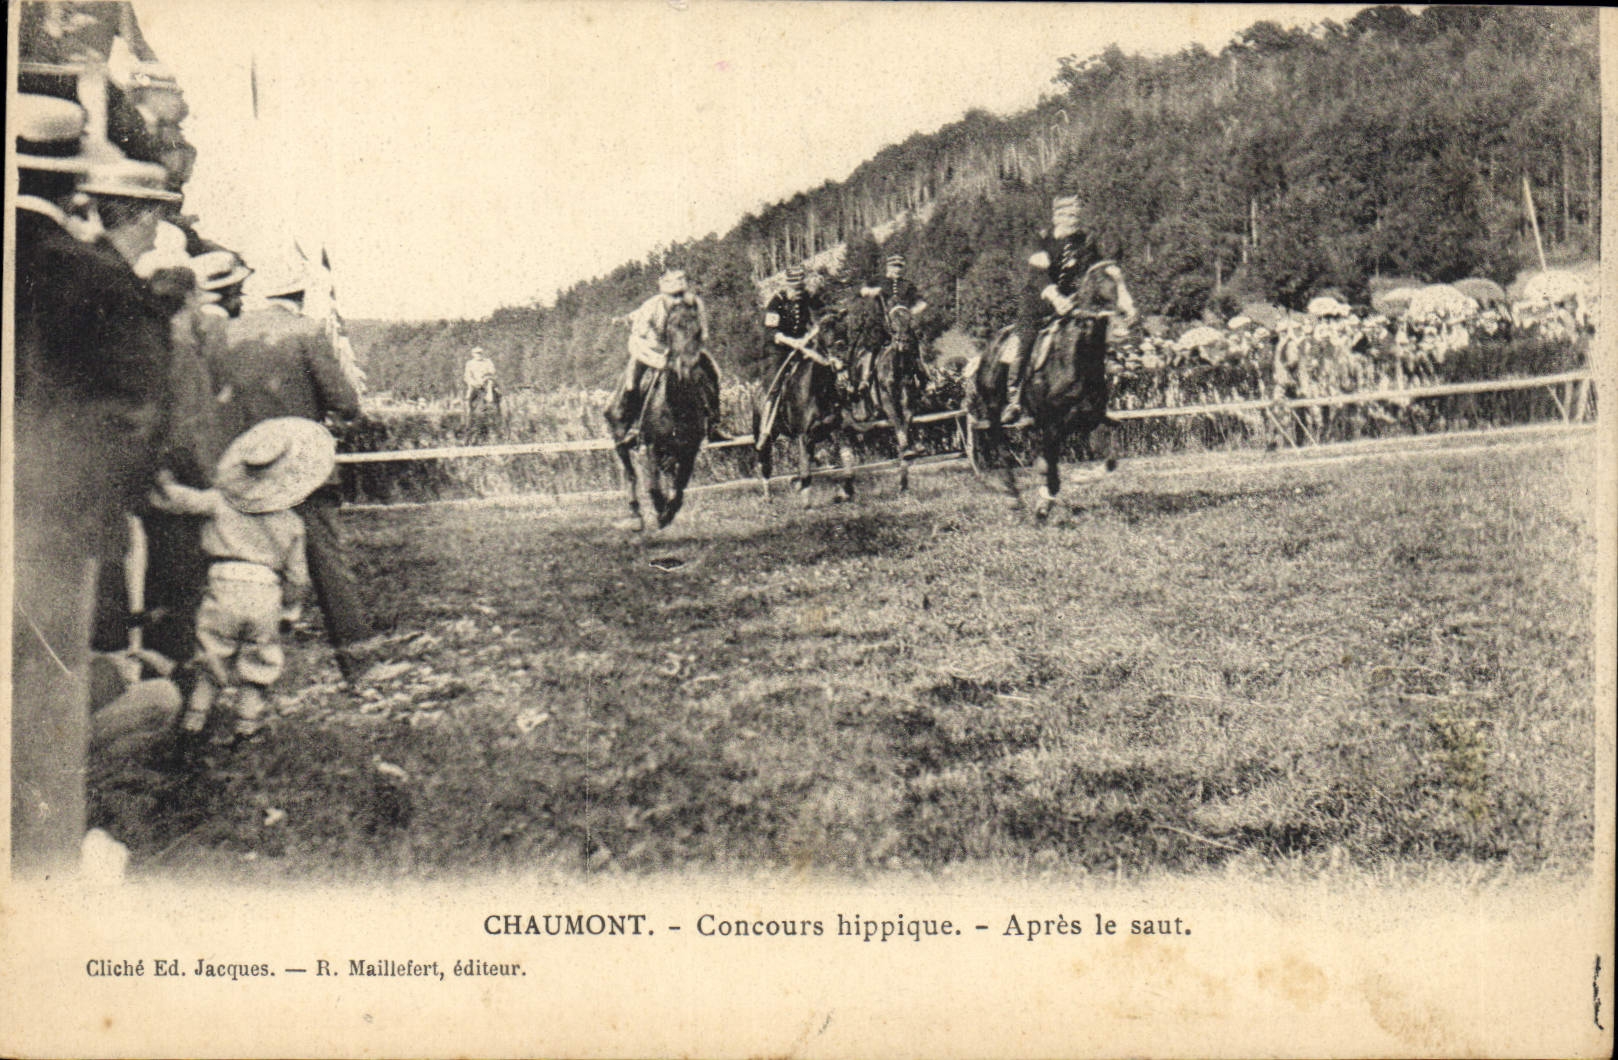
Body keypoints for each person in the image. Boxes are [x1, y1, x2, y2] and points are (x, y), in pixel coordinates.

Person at [11, 96, 177, 873]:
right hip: (47, 531)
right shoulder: (87, 272)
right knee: (43, 699)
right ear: (74, 183)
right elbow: (139, 416)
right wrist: (99, 510)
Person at [206, 261, 380, 683]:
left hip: (243, 474)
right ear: (299, 295)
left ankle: (219, 682)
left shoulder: (225, 334)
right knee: (328, 567)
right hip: (302, 473)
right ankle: (360, 665)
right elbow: (346, 404)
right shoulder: (307, 331)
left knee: (237, 569)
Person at [147, 418, 332, 744]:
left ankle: (194, 721)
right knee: (259, 663)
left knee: (211, 657)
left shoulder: (219, 503)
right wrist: (290, 612)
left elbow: (178, 500)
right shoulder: (291, 523)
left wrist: (157, 483)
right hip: (265, 593)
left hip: (223, 586)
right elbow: (298, 577)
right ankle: (246, 724)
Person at [997, 194, 1112, 427]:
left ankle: (1096, 401)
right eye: (1069, 214)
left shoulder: (1084, 242)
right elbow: (1038, 276)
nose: (1074, 219)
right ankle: (1014, 400)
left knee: (1092, 339)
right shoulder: (1041, 240)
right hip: (1037, 304)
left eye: (1076, 215)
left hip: (1070, 305)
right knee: (1024, 343)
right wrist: (1056, 298)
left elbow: (1095, 271)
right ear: (1057, 216)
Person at [609, 269, 729, 444]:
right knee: (632, 382)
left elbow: (703, 333)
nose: (678, 301)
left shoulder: (696, 303)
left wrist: (690, 349)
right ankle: (631, 428)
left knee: (712, 374)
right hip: (651, 350)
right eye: (674, 296)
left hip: (683, 350)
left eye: (681, 295)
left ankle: (714, 425)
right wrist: (659, 354)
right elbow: (638, 337)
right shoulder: (651, 306)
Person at [855, 253, 930, 396]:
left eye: (899, 267)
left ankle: (925, 379)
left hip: (901, 324)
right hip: (880, 322)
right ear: (888, 267)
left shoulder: (907, 285)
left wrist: (911, 311)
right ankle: (865, 379)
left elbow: (921, 302)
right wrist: (871, 291)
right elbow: (862, 291)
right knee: (873, 343)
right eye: (894, 266)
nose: (897, 270)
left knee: (914, 345)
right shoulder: (878, 280)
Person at [762, 265, 826, 376]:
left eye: (800, 289)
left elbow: (823, 316)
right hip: (780, 348)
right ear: (787, 287)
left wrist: (809, 337)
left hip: (804, 342)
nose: (798, 293)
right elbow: (771, 331)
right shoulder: (777, 302)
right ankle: (774, 393)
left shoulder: (806, 297)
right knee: (775, 380)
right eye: (795, 289)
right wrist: (792, 342)